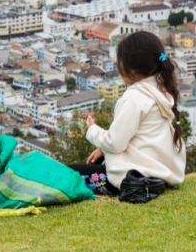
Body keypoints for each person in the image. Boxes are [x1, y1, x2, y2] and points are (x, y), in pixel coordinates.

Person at [68, 31, 186, 195]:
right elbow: (138, 135)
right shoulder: (160, 88)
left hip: (135, 177)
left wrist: (92, 130)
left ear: (131, 66)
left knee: (71, 172)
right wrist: (103, 149)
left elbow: (115, 143)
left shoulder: (134, 97)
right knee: (100, 159)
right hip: (158, 170)